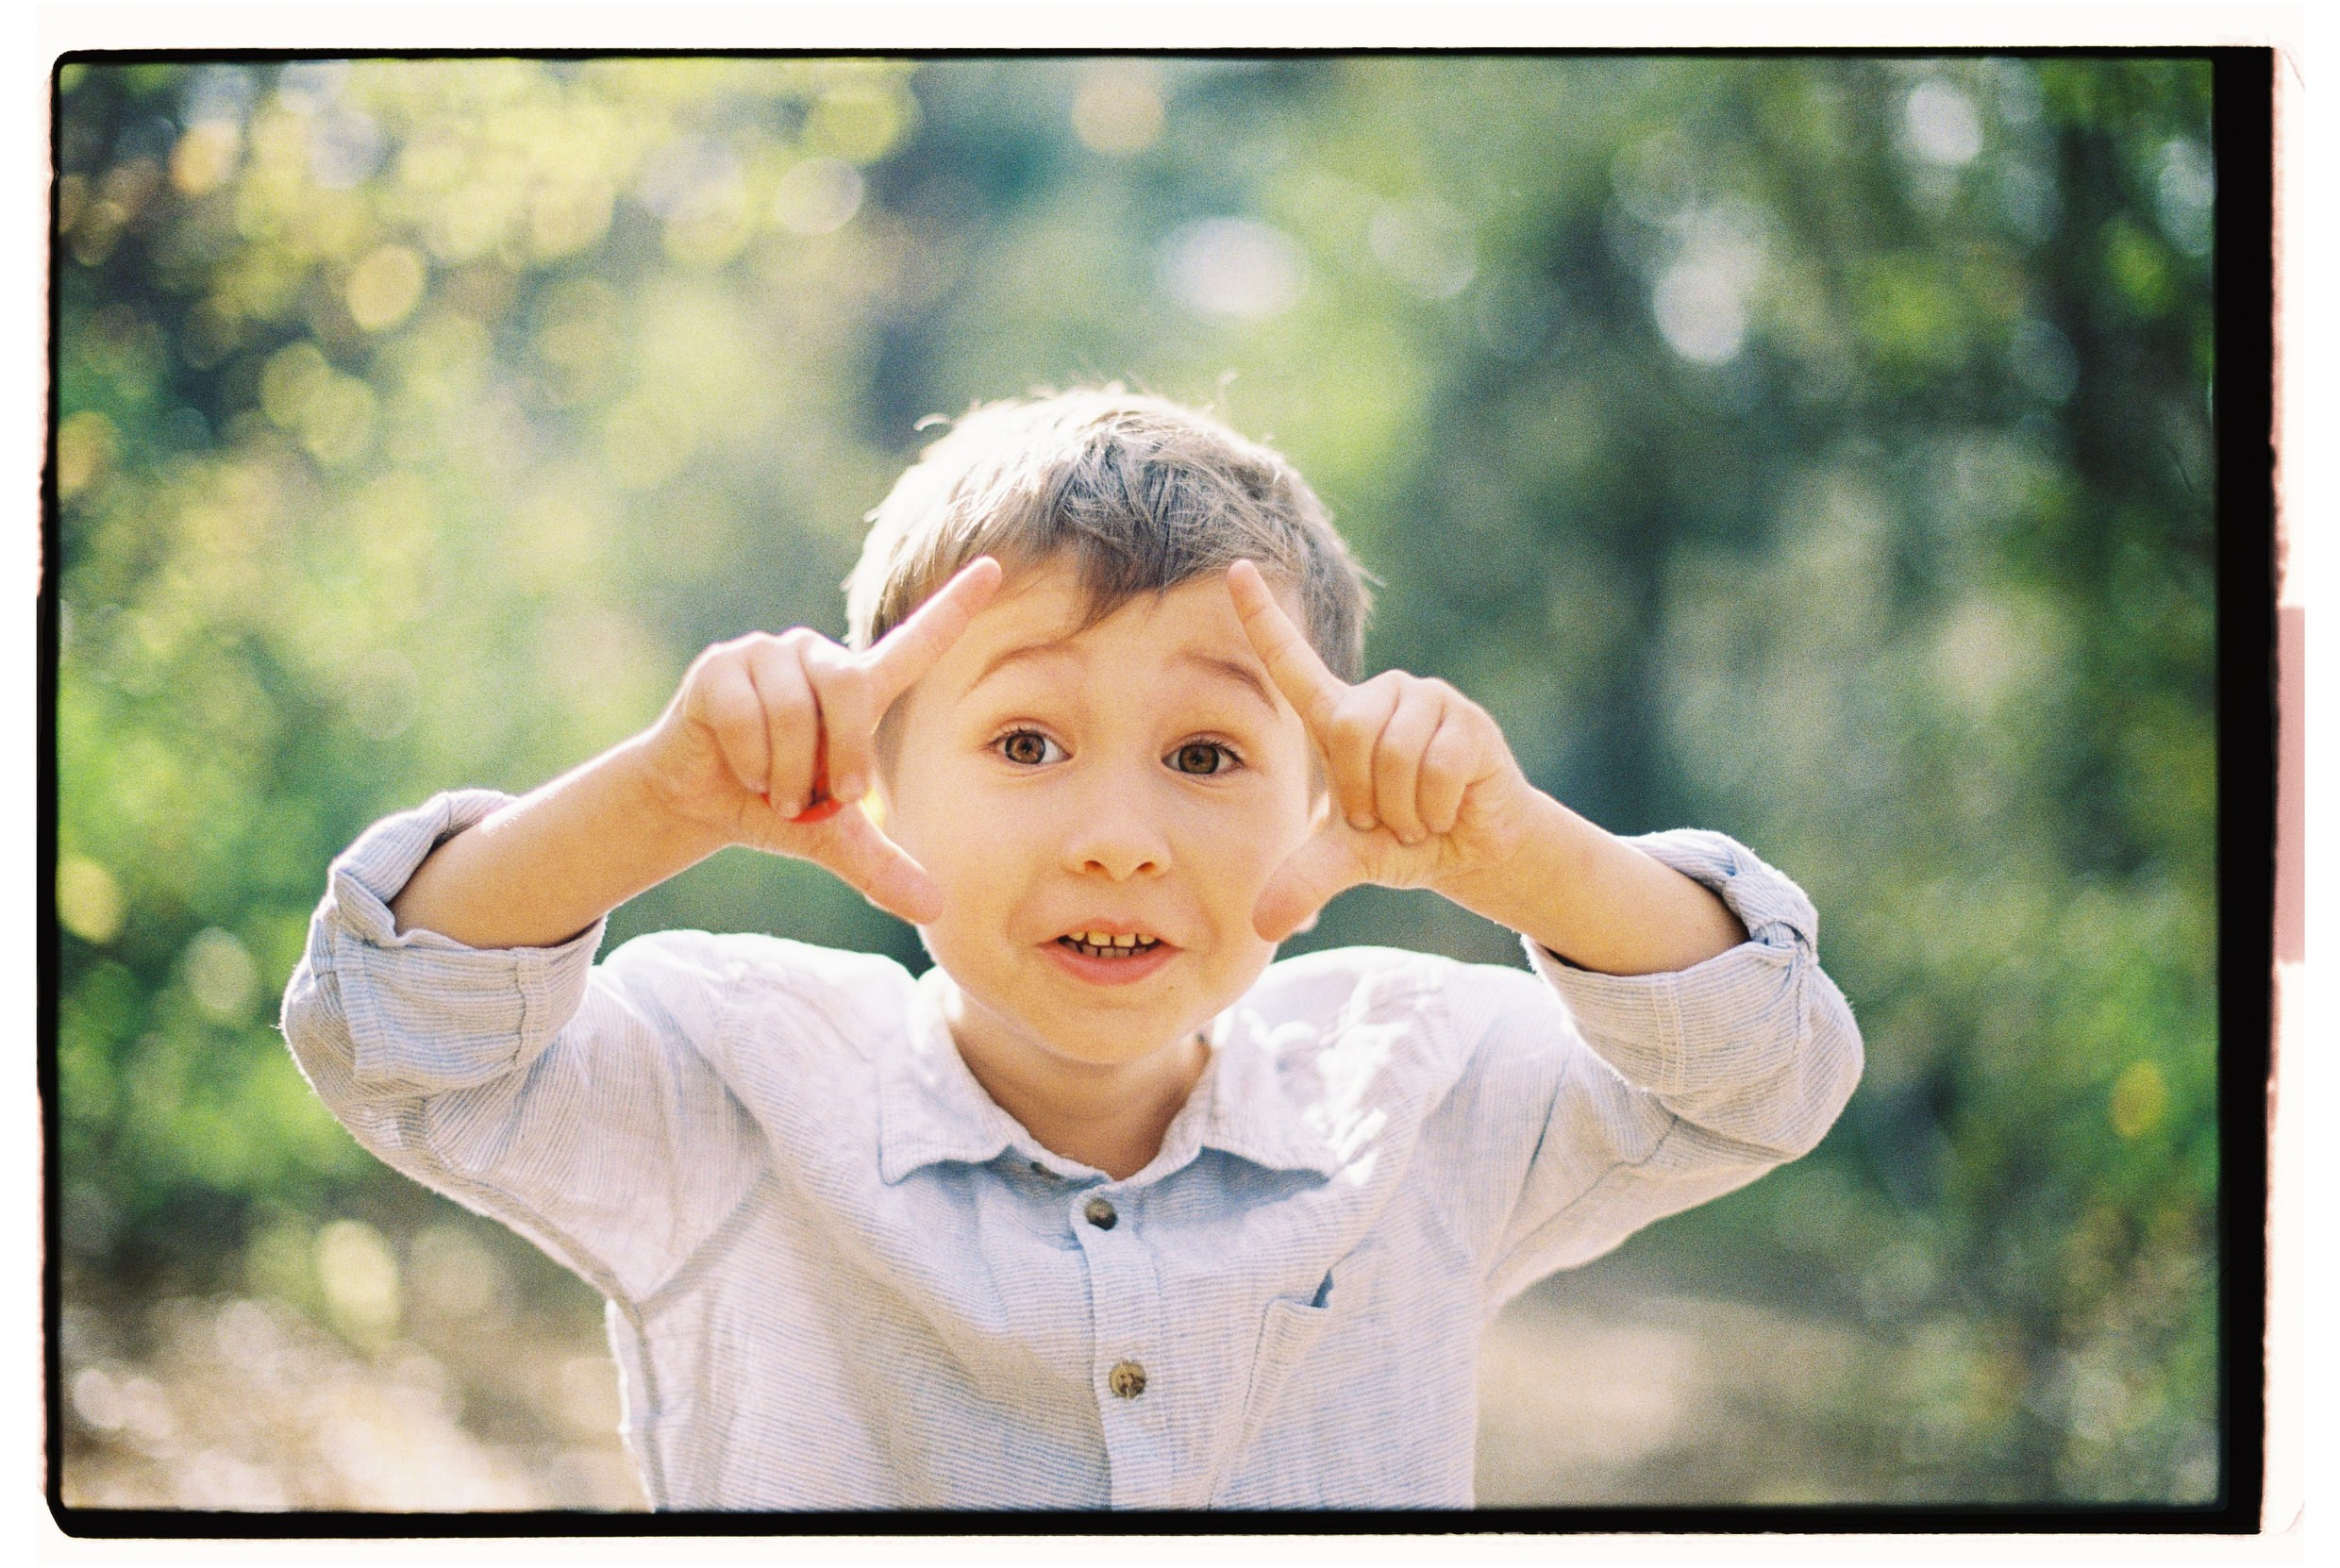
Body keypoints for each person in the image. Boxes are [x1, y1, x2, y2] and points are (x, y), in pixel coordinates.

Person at [279, 387, 1863, 1510]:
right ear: (876, 772)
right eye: (1028, 741)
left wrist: (1519, 849)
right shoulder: (736, 1083)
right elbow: (389, 1033)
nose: (1119, 833)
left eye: (1207, 756)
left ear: (1327, 793)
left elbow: (1764, 1073)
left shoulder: (1411, 1086)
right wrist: (658, 798)